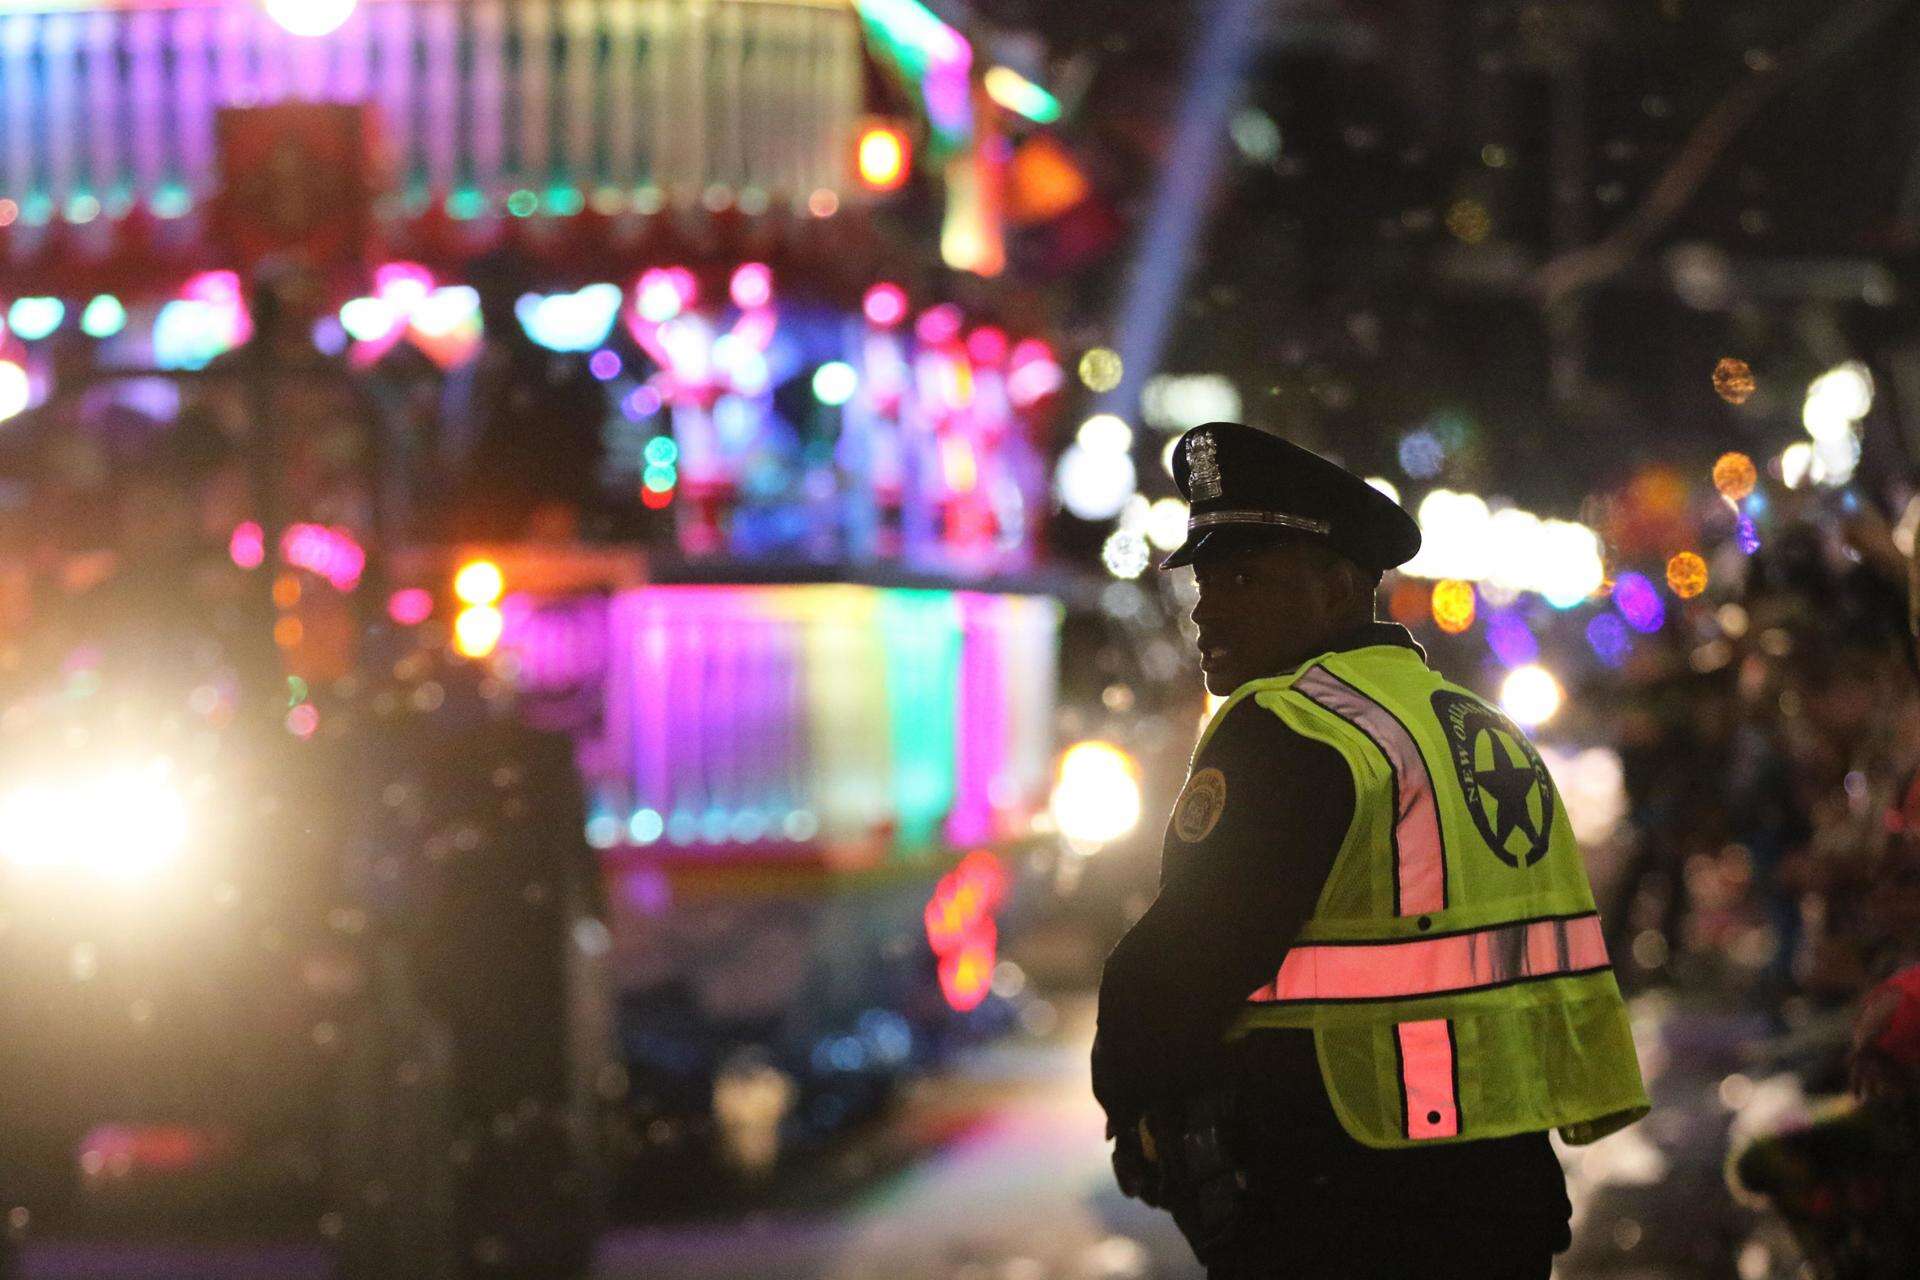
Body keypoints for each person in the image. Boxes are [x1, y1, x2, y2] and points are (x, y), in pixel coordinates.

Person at [1093, 422, 1651, 1279]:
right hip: (1504, 1189)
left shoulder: (1290, 727)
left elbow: (1186, 962)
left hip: (1342, 1196)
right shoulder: (1473, 726)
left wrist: (1132, 1102)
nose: (1209, 609)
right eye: (1206, 580)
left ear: (1338, 587)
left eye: (1243, 577)